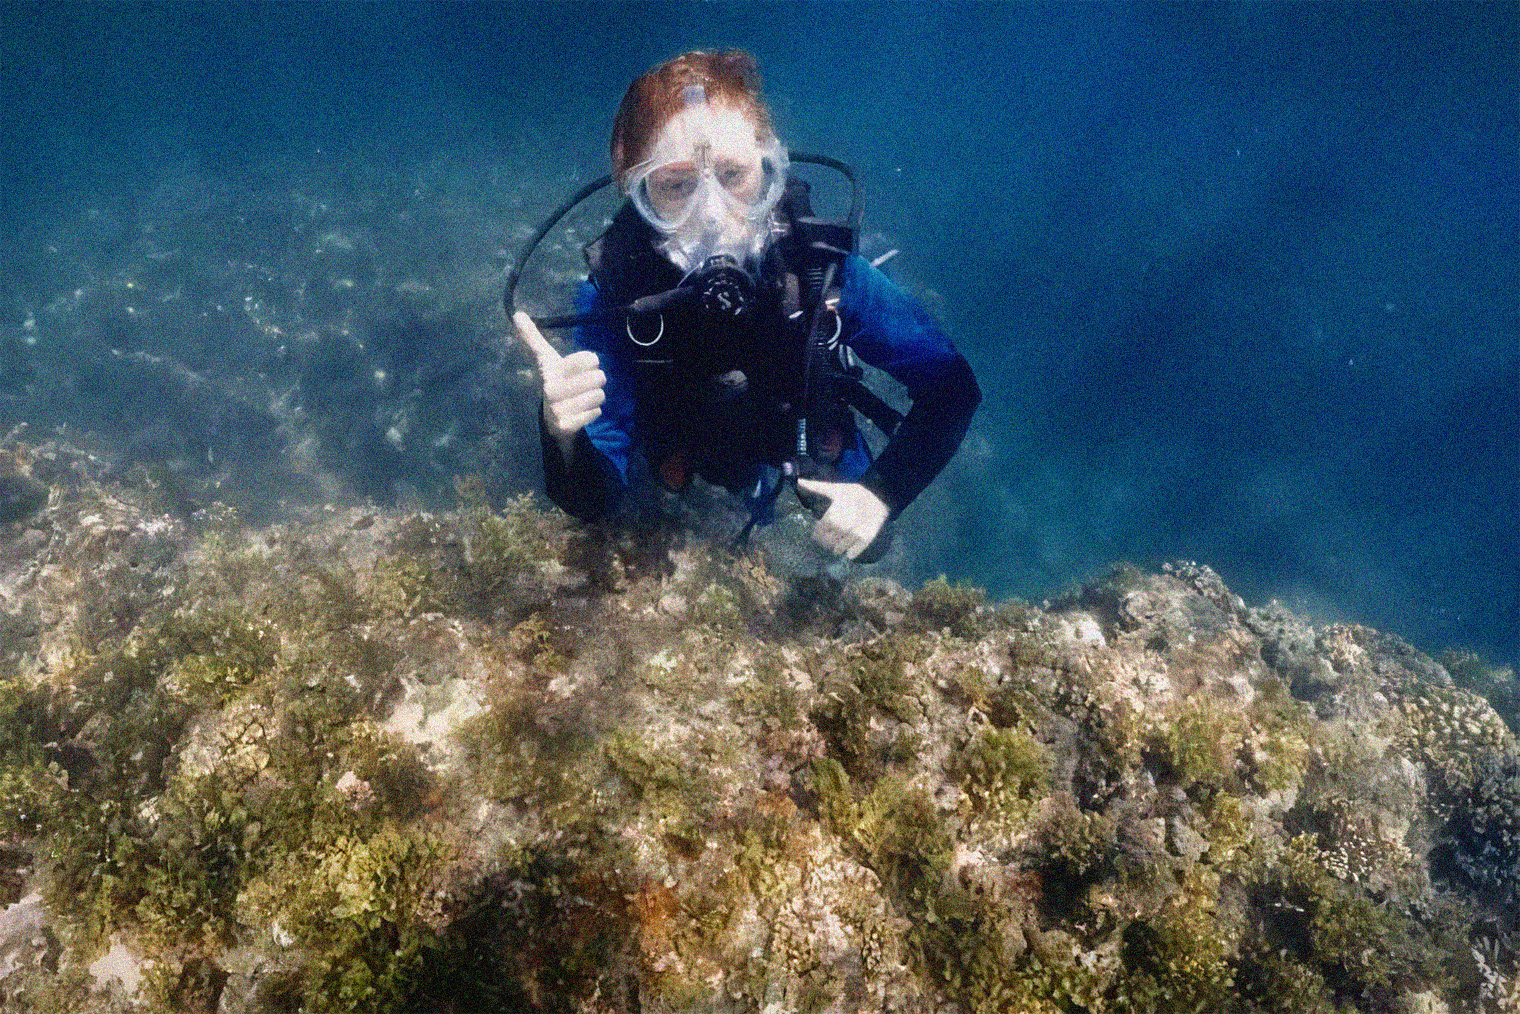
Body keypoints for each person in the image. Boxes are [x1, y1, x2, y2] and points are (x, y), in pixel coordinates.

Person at [514, 50, 980, 561]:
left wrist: (881, 494)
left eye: (733, 176)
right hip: (682, 436)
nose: (713, 217)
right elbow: (591, 503)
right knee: (644, 492)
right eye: (675, 187)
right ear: (639, 193)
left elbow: (953, 390)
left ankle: (765, 483)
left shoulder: (822, 274)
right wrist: (562, 436)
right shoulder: (622, 297)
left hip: (797, 434)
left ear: (769, 169)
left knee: (869, 547)